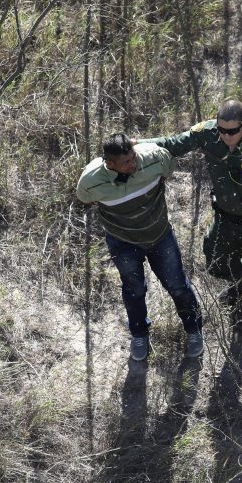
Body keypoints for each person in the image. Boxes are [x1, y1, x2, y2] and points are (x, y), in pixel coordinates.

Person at [142, 99, 242, 360]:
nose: (226, 136)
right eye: (222, 129)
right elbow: (174, 144)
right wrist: (138, 144)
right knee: (216, 261)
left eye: (232, 130)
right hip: (226, 217)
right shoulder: (207, 133)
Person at [76, 134, 203, 361]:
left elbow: (168, 169)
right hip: (123, 243)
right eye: (126, 162)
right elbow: (85, 198)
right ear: (110, 163)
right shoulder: (91, 180)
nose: (133, 164)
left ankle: (194, 330)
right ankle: (139, 334)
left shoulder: (154, 158)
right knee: (134, 290)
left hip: (160, 236)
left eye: (133, 157)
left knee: (177, 285)